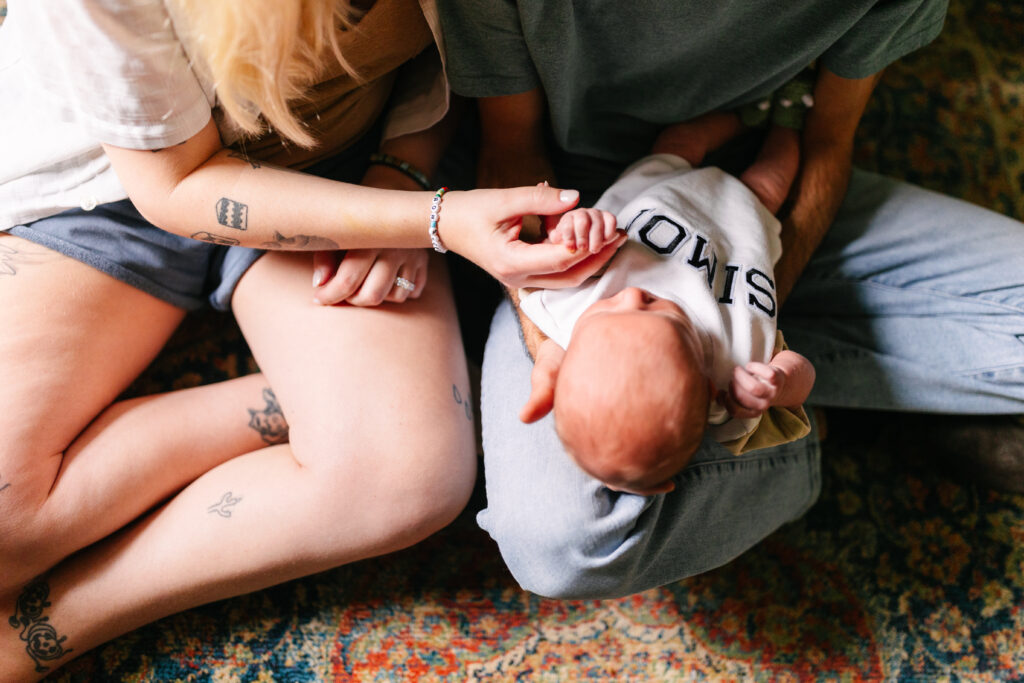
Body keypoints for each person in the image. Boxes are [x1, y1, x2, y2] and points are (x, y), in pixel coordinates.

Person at [0, 0, 619, 677]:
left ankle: (42, 631)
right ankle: (309, 399)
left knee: (407, 480)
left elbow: (457, 48)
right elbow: (174, 186)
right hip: (106, 183)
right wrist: (435, 220)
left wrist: (404, 172)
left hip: (336, 167)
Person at [438, 0, 1024, 599]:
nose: (634, 296)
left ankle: (865, 397)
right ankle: (814, 431)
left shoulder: (624, 312)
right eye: (650, 313)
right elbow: (510, 150)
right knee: (562, 549)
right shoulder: (714, 373)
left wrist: (759, 283)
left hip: (755, 206)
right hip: (604, 190)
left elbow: (827, 142)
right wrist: (770, 372)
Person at [517, 115, 817, 496]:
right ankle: (788, 117)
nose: (630, 296)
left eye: (607, 310)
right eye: (652, 308)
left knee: (679, 142)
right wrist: (780, 382)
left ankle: (743, 117)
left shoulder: (565, 321)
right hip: (737, 221)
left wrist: (574, 227)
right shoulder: (731, 376)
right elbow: (803, 377)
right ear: (707, 386)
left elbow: (543, 254)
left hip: (660, 194)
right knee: (772, 182)